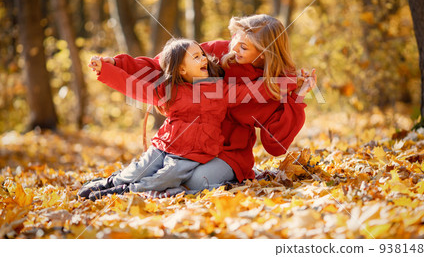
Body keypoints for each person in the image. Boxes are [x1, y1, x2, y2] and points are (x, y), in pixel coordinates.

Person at [79, 14, 316, 198]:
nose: (233, 49)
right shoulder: (213, 53)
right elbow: (163, 66)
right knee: (156, 166)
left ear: (264, 55)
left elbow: (275, 145)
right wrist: (116, 64)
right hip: (185, 145)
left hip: (228, 153)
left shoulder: (276, 85)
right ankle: (119, 184)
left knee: (196, 181)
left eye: (244, 48)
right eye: (235, 39)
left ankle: (164, 188)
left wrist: (297, 97)